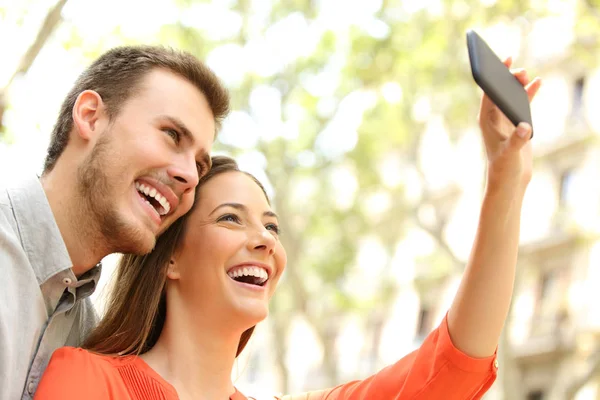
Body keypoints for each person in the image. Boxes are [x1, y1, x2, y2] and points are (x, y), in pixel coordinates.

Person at [34, 60, 541, 399]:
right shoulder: (88, 379)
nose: (265, 242)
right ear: (170, 258)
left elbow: (452, 366)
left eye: (271, 227)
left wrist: (505, 183)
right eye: (230, 217)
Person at [0, 45, 230, 400]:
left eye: (199, 166)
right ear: (91, 117)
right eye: (171, 134)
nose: (189, 177)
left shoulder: (89, 339)